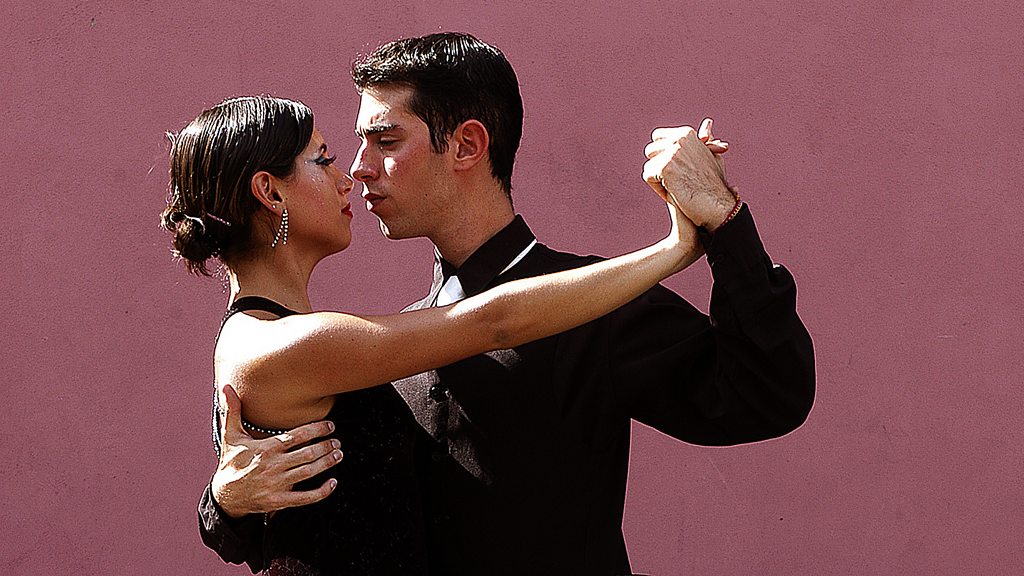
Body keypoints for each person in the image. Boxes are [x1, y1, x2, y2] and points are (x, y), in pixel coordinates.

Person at [198, 33, 815, 576]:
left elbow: (768, 394)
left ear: (467, 145)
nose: (358, 170)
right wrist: (224, 504)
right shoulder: (394, 344)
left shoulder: (595, 304)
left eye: (384, 140)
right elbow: (328, 519)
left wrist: (726, 225)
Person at [166, 94, 707, 575]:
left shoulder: (281, 337)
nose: (347, 177)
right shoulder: (281, 344)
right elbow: (493, 321)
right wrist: (674, 250)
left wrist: (221, 506)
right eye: (322, 159)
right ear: (269, 191)